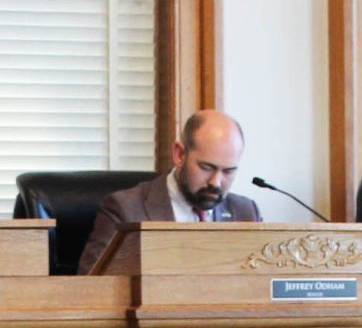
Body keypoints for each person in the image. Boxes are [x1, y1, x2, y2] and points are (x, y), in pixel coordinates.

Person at [76, 110, 263, 274]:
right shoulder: (125, 209)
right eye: (206, 167)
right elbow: (91, 289)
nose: (216, 182)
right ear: (180, 154)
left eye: (228, 171)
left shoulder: (246, 213)